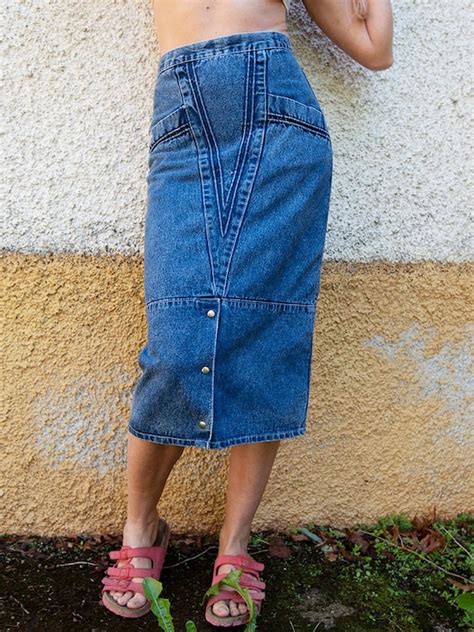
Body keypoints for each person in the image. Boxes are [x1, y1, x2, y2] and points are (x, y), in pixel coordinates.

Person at [100, 0, 393, 626]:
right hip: (184, 122)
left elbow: (374, 46)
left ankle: (234, 547)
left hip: (278, 126)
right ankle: (141, 526)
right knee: (175, 346)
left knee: (263, 340)